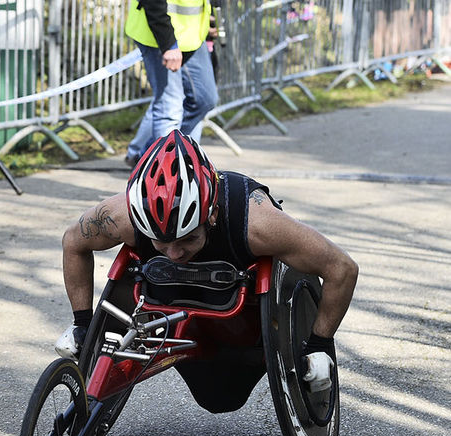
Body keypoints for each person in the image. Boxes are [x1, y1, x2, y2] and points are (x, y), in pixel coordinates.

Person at [56, 130, 358, 414]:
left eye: (188, 238)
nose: (175, 254)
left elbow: (342, 269)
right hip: (177, 325)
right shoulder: (121, 217)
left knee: (223, 397)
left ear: (211, 214)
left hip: (245, 338)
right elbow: (73, 243)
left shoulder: (257, 223)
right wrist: (81, 323)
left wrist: (320, 345)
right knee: (216, 398)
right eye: (161, 242)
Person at [122, 0, 219, 167]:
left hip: (193, 36)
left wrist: (212, 18)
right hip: (158, 36)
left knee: (205, 99)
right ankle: (164, 177)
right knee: (170, 108)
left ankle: (149, 157)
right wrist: (169, 44)